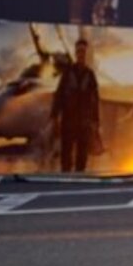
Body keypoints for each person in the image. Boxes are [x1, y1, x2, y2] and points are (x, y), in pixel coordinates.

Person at [51, 38, 101, 172]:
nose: (81, 54)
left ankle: (79, 179)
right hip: (68, 121)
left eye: (83, 51)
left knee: (82, 158)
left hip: (84, 123)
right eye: (79, 51)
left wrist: (96, 122)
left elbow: (95, 100)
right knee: (66, 156)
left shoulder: (90, 75)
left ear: (86, 53)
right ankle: (66, 179)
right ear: (75, 53)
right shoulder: (67, 74)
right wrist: (54, 116)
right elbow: (59, 95)